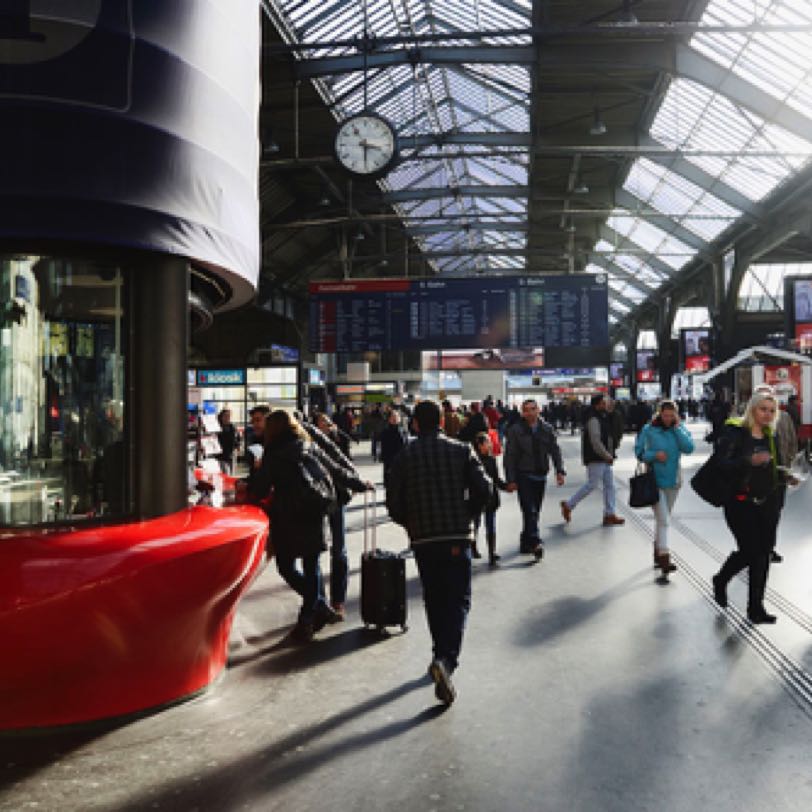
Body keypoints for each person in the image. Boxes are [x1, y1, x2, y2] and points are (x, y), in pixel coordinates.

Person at [386, 401, 492, 707]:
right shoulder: (461, 451)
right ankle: (446, 661)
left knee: (433, 597)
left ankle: (437, 653)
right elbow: (485, 490)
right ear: (443, 421)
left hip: (424, 539)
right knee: (458, 599)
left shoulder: (405, 456)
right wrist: (467, 516)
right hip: (457, 536)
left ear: (416, 424)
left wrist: (411, 522)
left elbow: (393, 502)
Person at [253, 411, 372, 641]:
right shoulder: (307, 445)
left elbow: (260, 489)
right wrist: (359, 483)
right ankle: (312, 613)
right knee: (311, 565)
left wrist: (256, 476)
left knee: (286, 566)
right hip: (314, 512)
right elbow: (335, 468)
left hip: (287, 516)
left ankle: (314, 611)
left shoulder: (272, 454)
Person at [711, 392, 788, 624]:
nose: (767, 414)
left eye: (772, 410)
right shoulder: (736, 433)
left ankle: (756, 608)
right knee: (750, 551)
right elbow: (721, 464)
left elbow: (773, 467)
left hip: (768, 502)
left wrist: (785, 476)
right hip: (740, 503)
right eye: (763, 409)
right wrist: (748, 461)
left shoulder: (770, 436)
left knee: (763, 554)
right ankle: (721, 579)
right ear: (752, 409)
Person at [634, 400, 694, 582]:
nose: (668, 419)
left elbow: (689, 448)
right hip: (655, 481)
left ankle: (657, 550)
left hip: (673, 481)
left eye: (671, 415)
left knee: (663, 518)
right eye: (665, 415)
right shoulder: (648, 429)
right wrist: (653, 455)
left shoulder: (680, 429)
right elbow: (639, 452)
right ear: (659, 413)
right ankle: (665, 555)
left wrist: (677, 429)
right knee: (665, 520)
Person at [503, 398, 566, 560]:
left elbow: (555, 451)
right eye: (526, 410)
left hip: (540, 475)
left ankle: (526, 541)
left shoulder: (547, 429)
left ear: (538, 410)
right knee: (529, 510)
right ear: (522, 413)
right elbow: (510, 456)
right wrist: (510, 479)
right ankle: (535, 543)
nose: (530, 413)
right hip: (523, 475)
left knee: (534, 511)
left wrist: (560, 471)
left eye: (533, 409)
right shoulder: (515, 430)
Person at [315, 413, 365, 618]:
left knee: (339, 549)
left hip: (337, 499)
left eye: (327, 423)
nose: (326, 427)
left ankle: (338, 600)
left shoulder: (338, 441)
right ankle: (320, 599)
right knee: (316, 550)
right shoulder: (311, 444)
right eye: (322, 424)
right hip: (318, 500)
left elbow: (346, 463)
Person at [560, 394, 625, 528]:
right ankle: (569, 505)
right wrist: (606, 455)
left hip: (603, 457)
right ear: (598, 404)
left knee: (610, 485)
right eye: (604, 403)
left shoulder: (602, 417)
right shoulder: (594, 419)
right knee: (592, 484)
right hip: (596, 457)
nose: (606, 404)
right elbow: (595, 440)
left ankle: (609, 514)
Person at [754, 385, 798, 564]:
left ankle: (768, 548)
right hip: (758, 477)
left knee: (775, 513)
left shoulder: (785, 417)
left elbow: (792, 441)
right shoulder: (748, 421)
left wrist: (790, 465)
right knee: (758, 514)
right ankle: (757, 549)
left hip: (780, 474)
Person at [473, 431, 508, 566]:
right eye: (487, 442)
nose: (490, 444)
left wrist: (506, 486)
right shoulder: (473, 460)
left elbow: (496, 479)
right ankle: (473, 544)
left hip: (490, 497)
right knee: (476, 523)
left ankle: (492, 552)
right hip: (477, 497)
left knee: (490, 525)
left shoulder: (492, 460)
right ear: (480, 445)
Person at [379, 409, 409, 489]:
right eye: (393, 416)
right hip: (390, 461)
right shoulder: (386, 432)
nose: (395, 418)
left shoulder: (404, 431)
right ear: (389, 419)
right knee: (391, 483)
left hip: (403, 461)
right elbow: (384, 449)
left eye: (397, 416)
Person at [216, 408, 239, 474]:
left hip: (230, 454)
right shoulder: (218, 427)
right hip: (220, 454)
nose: (227, 418)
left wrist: (237, 446)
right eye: (225, 416)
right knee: (223, 471)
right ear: (221, 417)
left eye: (229, 416)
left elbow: (236, 438)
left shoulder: (232, 427)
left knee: (230, 472)